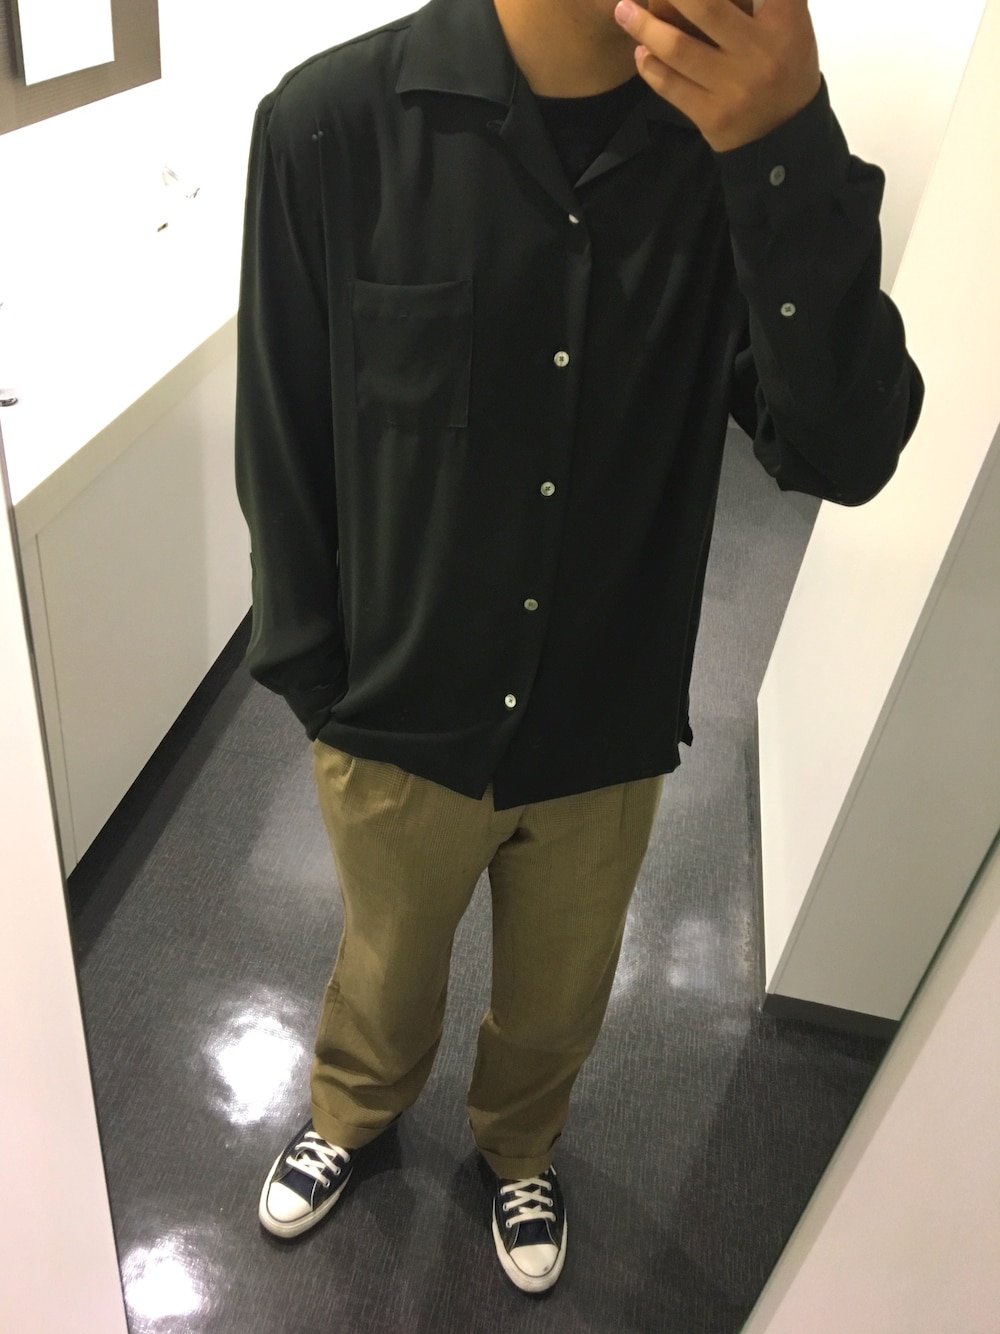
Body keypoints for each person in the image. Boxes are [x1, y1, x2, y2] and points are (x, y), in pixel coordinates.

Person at [235, 0, 923, 1294]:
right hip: (396, 717)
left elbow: (845, 448)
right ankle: (352, 1109)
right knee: (384, 965)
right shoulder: (329, 126)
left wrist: (783, 147)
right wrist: (320, 688)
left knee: (559, 997)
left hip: (607, 720)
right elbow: (283, 433)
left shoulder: (739, 157)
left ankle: (521, 1145)